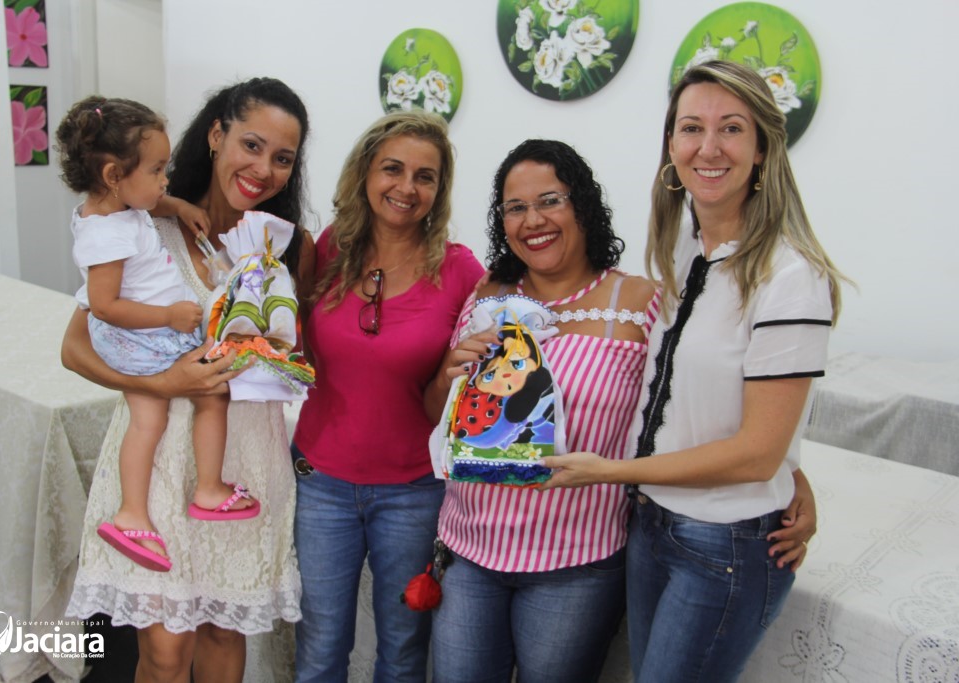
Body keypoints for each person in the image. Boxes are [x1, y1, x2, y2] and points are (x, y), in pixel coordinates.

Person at [541, 60, 847, 682]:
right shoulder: (685, 244)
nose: (708, 148)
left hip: (724, 542)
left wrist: (612, 471)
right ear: (671, 146)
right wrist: (791, 469)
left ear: (762, 149)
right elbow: (703, 403)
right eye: (691, 128)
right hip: (653, 524)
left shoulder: (792, 277)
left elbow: (756, 454)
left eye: (731, 128)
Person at [63, 77, 313, 683]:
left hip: (243, 456)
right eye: (251, 145)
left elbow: (288, 345)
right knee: (166, 652)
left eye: (283, 158)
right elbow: (74, 349)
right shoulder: (143, 221)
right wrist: (164, 385)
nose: (264, 169)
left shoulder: (287, 247)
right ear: (216, 135)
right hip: (157, 459)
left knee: (224, 632)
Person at [425, 139, 658, 683]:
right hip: (468, 552)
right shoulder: (487, 295)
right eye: (515, 207)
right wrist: (446, 375)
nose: (533, 220)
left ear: (583, 205)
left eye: (550, 200)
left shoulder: (638, 303)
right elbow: (440, 414)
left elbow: (686, 409)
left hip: (575, 564)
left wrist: (787, 475)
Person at [290, 109, 484, 683]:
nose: (406, 187)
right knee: (320, 643)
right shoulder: (330, 249)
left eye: (425, 176)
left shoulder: (461, 271)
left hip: (414, 491)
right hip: (320, 482)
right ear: (365, 173)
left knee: (402, 649)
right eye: (392, 169)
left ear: (440, 190)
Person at [55, 96, 256, 575]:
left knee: (157, 418)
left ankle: (140, 511)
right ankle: (199, 492)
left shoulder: (116, 206)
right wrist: (168, 315)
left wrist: (179, 205)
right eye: (157, 170)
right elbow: (104, 305)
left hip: (143, 334)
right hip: (142, 337)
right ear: (114, 176)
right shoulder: (107, 236)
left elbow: (148, 199)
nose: (165, 179)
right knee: (205, 395)